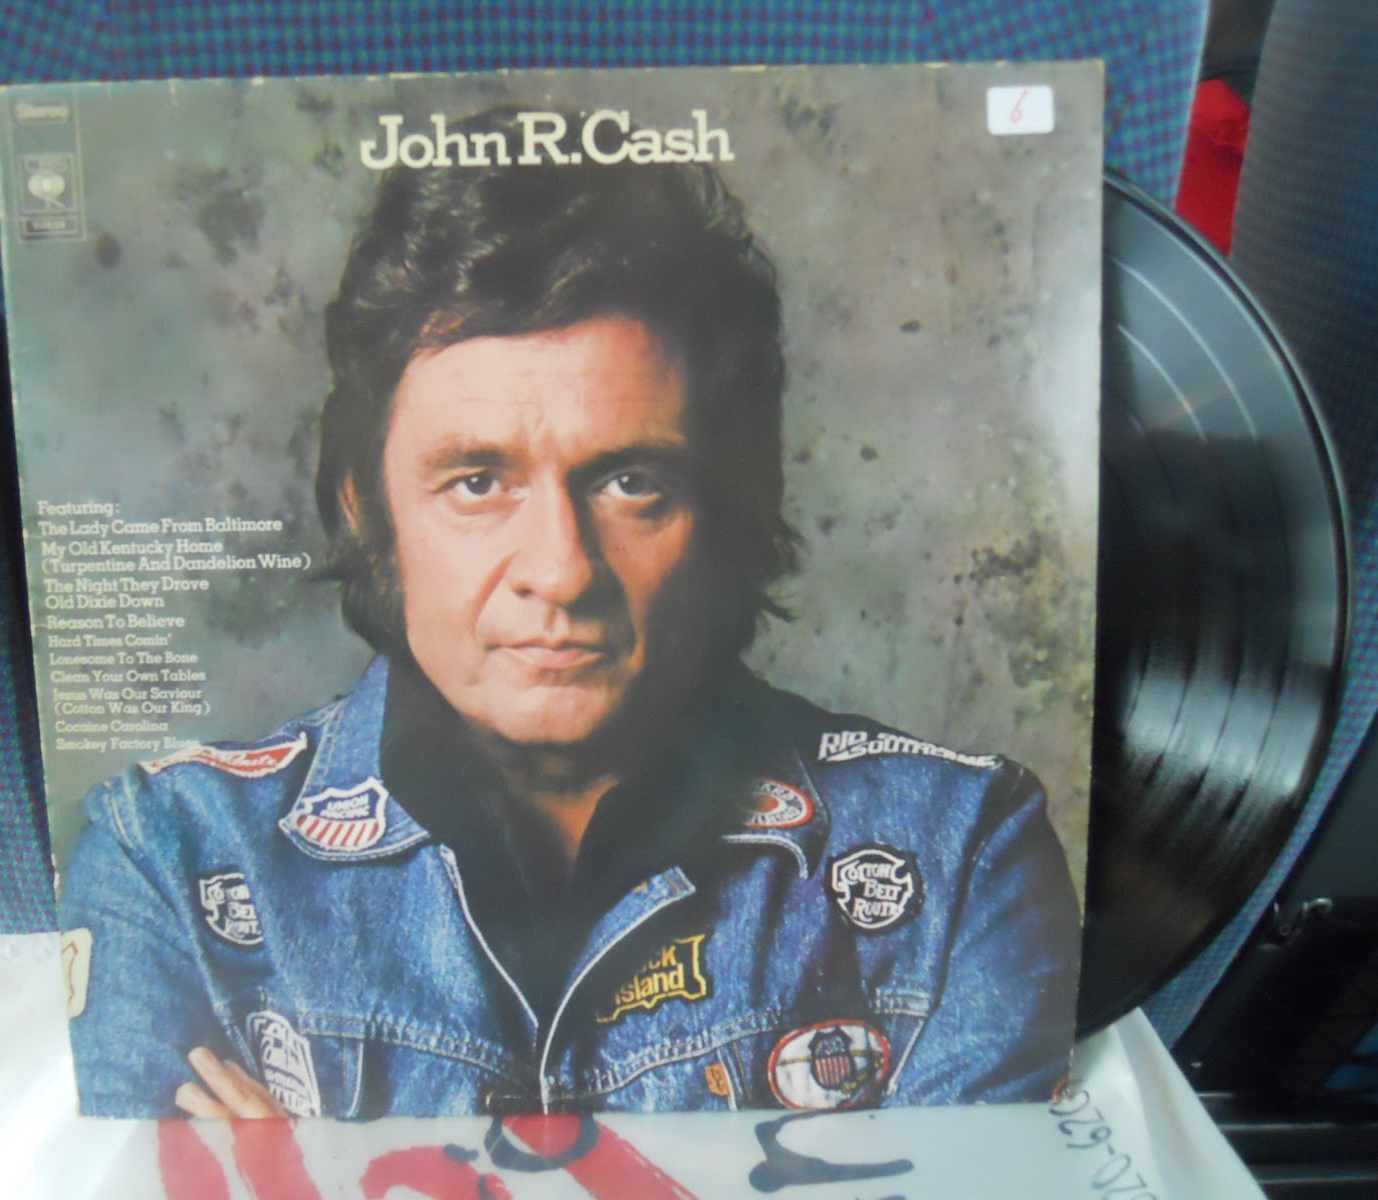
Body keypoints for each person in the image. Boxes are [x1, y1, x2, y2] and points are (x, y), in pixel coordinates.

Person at [58, 108, 1081, 1120]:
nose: (559, 571)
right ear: (366, 511)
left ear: (729, 505)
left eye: (631, 482)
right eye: (476, 482)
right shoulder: (171, 855)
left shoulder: (959, 856)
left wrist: (316, 1180)